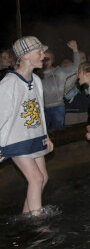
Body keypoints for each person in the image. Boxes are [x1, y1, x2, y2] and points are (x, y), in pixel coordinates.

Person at [0, 36, 54, 215]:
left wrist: (46, 135)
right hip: (16, 139)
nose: (43, 55)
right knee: (36, 178)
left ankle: (26, 218)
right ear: (24, 56)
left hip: (34, 136)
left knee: (43, 178)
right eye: (38, 51)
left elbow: (39, 112)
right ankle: (39, 227)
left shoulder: (36, 81)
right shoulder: (10, 82)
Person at [41, 40, 81, 130]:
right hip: (41, 108)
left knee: (57, 134)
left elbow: (76, 67)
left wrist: (75, 49)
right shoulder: (36, 75)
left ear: (53, 60)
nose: (46, 61)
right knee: (43, 136)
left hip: (57, 107)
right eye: (44, 59)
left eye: (49, 59)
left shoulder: (60, 72)